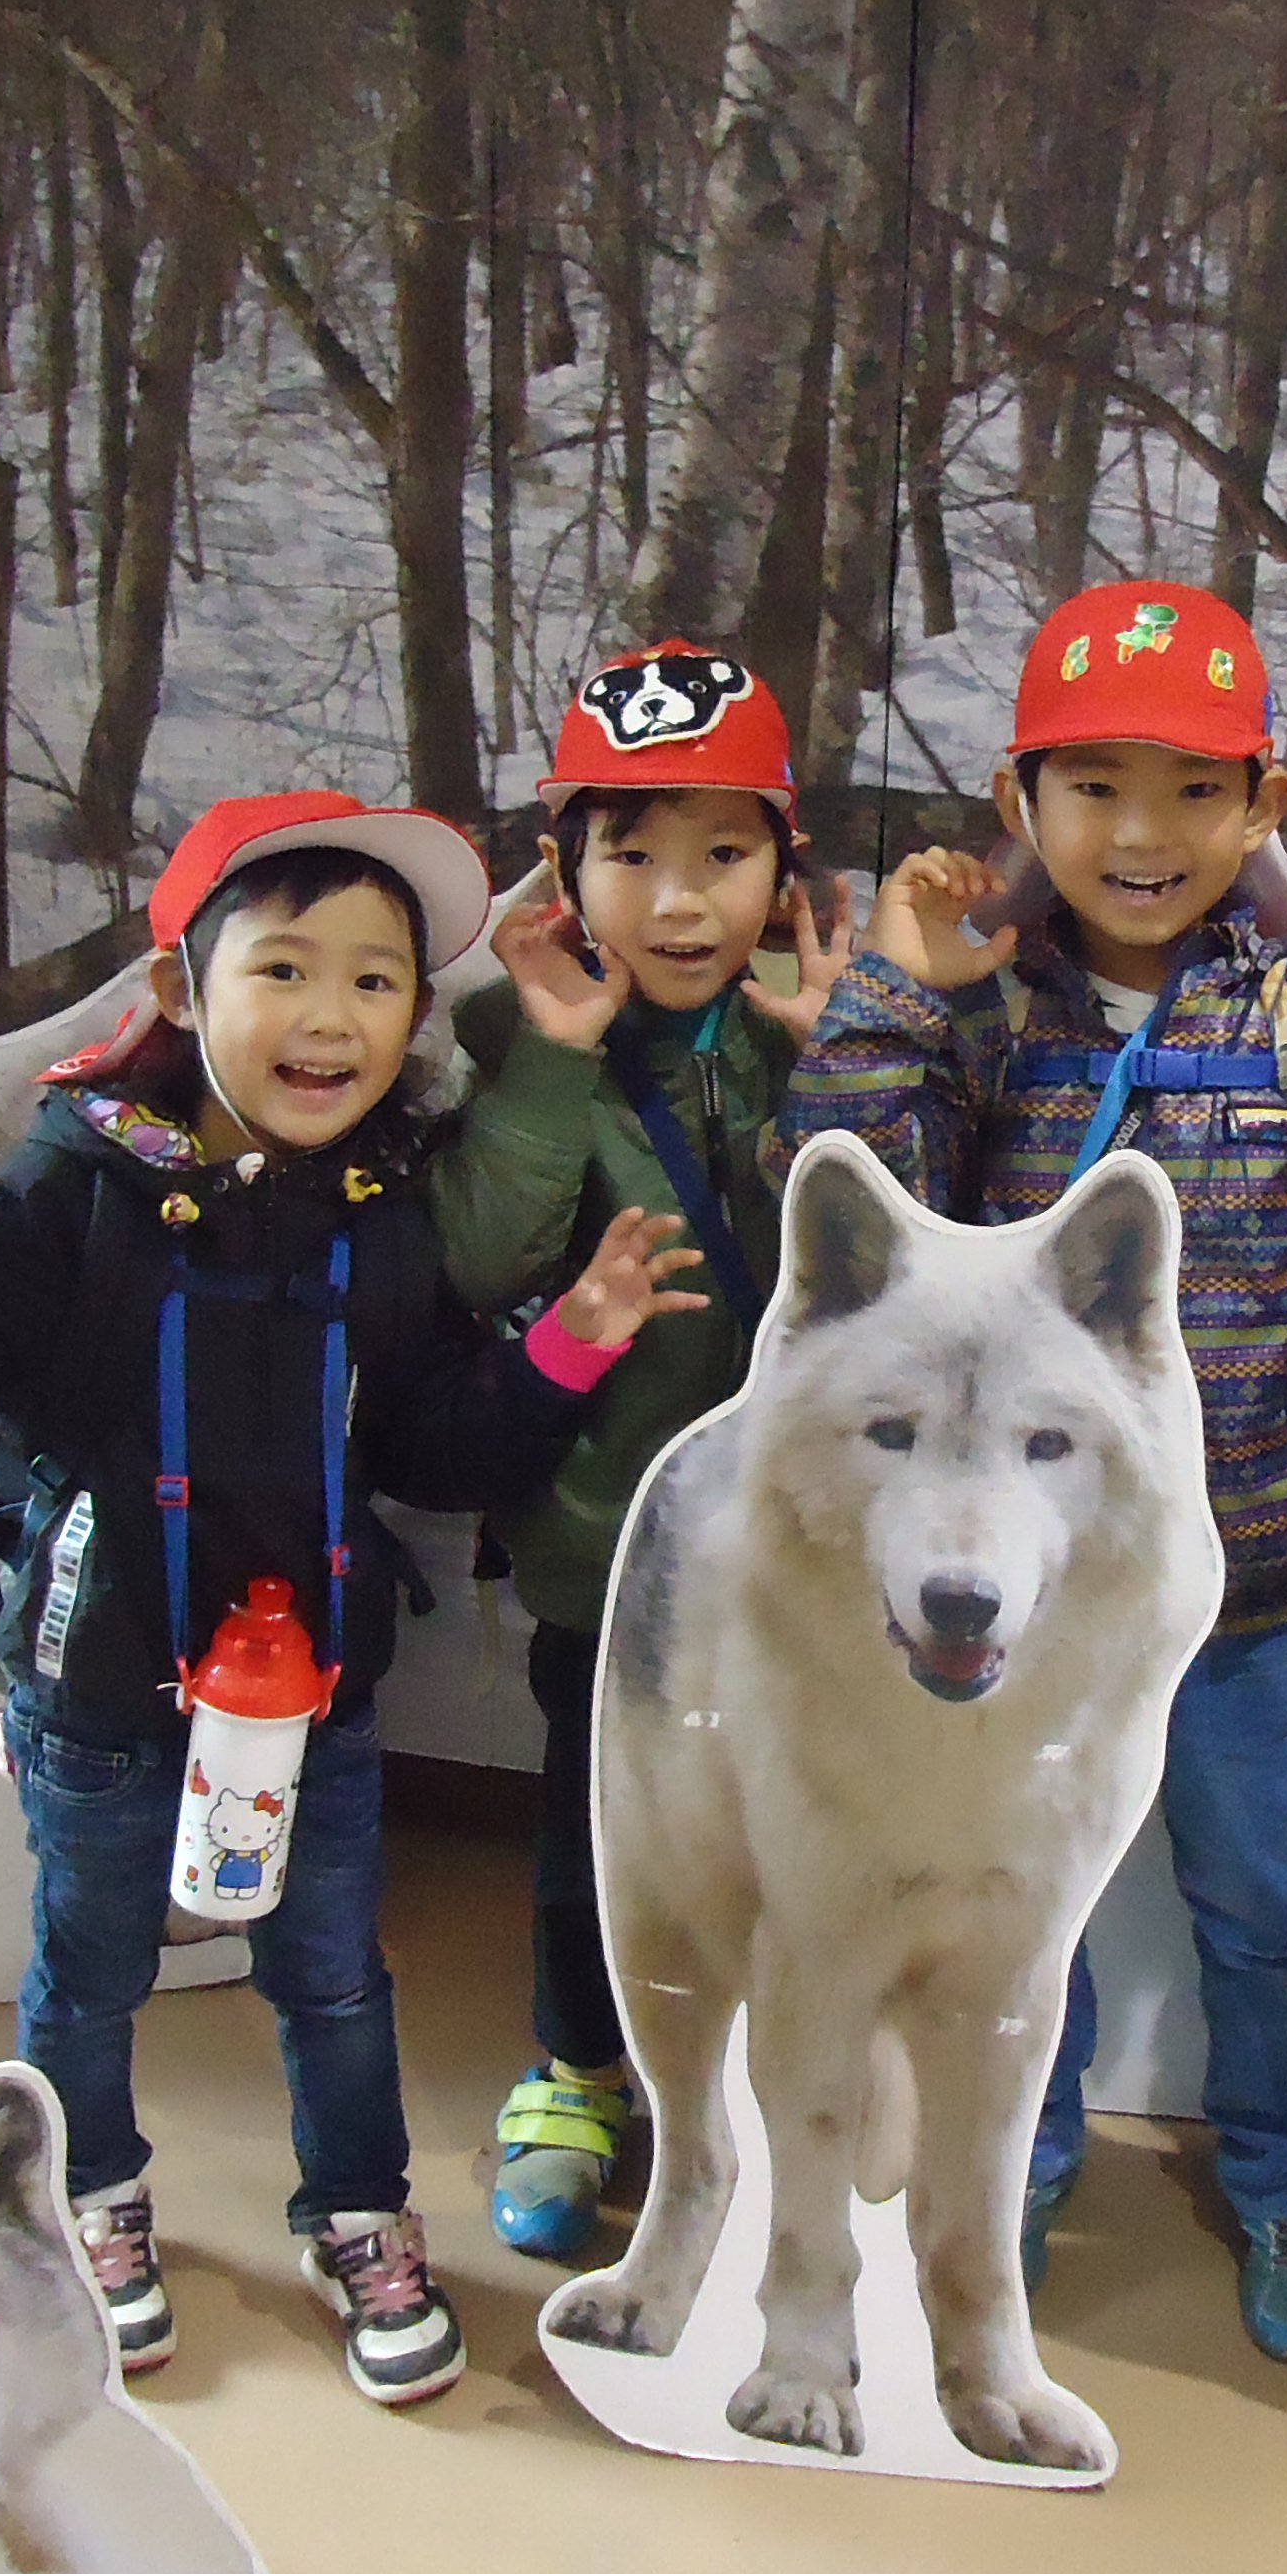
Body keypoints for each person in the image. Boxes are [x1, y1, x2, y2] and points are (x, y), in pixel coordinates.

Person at [0, 792, 708, 2407]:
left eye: (375, 980)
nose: (331, 1015)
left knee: (334, 1975)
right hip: (101, 1686)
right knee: (94, 1964)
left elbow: (427, 1439)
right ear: (175, 993)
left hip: (315, 1705)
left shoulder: (380, 1214)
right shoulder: (82, 1186)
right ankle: (83, 2200)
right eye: (284, 968)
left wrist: (572, 1342)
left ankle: (357, 2213)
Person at [787, 577, 1287, 2365]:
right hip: (1009, 1595)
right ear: (1021, 798)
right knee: (1002, 1901)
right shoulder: (989, 1012)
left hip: (1239, 1580)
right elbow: (851, 1217)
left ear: (1265, 806)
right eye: (1098, 787)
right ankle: (1006, 2165)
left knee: (1268, 1910)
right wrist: (904, 998)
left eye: (1195, 791)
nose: (1144, 835)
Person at [430, 642, 853, 2264]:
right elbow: (474, 1260)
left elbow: (882, 1268)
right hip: (604, 1546)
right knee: (595, 1829)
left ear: (782, 870)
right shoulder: (523, 1045)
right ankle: (574, 2068)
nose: (679, 904)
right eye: (633, 855)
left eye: (723, 857)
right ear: (568, 868)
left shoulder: (805, 1032)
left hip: (802, 1557)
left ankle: (751, 2083)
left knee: (783, 1821)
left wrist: (833, 1067)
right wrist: (549, 1056)